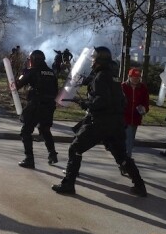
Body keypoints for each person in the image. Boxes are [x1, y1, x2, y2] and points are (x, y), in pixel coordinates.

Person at [51, 46, 147, 197]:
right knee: (121, 156)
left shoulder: (101, 77)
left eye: (94, 58)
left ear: (100, 61)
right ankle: (140, 186)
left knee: (75, 148)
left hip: (101, 122)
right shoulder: (112, 76)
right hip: (116, 123)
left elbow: (102, 100)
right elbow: (122, 100)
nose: (91, 61)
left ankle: (68, 184)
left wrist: (86, 104)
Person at [15, 50, 59, 169]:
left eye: (30, 60)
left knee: (26, 131)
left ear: (33, 60)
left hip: (36, 105)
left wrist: (21, 75)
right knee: (45, 130)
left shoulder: (32, 71)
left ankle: (29, 159)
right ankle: (52, 155)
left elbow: (17, 85)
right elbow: (56, 90)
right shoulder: (51, 72)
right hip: (49, 106)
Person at [122, 68, 149, 158]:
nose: (136, 79)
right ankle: (127, 158)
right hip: (125, 117)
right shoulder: (123, 86)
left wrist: (144, 108)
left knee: (131, 138)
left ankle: (124, 156)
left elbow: (146, 102)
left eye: (138, 77)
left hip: (136, 117)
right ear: (129, 77)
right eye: (134, 77)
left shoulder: (143, 88)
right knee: (128, 138)